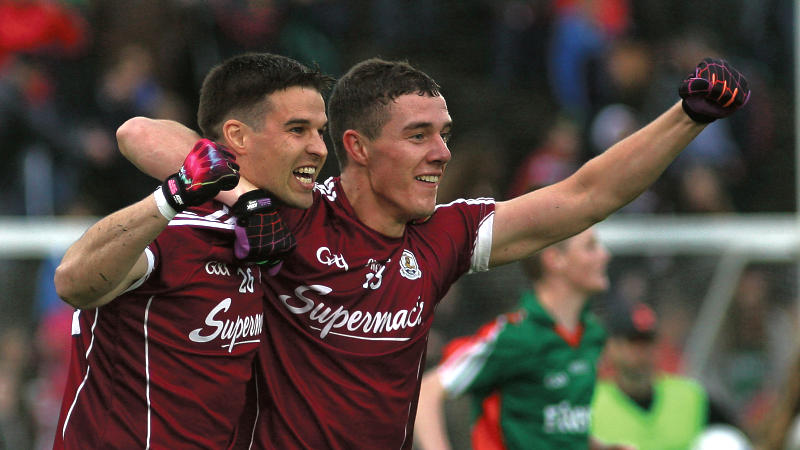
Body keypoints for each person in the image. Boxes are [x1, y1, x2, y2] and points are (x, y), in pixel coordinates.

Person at [117, 56, 750, 448]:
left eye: (443, 135)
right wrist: (243, 193)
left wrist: (685, 118)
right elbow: (140, 131)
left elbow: (584, 196)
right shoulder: (298, 211)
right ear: (358, 147)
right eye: (418, 136)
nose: (442, 154)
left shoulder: (446, 234)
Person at [52, 53, 331, 449]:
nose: (319, 148)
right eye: (298, 129)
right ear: (236, 136)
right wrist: (236, 197)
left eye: (321, 131)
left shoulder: (283, 222)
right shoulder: (182, 227)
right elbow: (70, 281)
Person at [414, 227, 634, 449]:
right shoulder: (515, 336)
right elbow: (426, 393)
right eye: (590, 247)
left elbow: (554, 427)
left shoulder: (592, 334)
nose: (605, 255)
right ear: (555, 259)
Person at [591, 301, 746, 450]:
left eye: (648, 342)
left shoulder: (689, 396)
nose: (642, 353)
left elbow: (734, 437)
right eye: (634, 343)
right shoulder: (590, 403)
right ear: (611, 347)